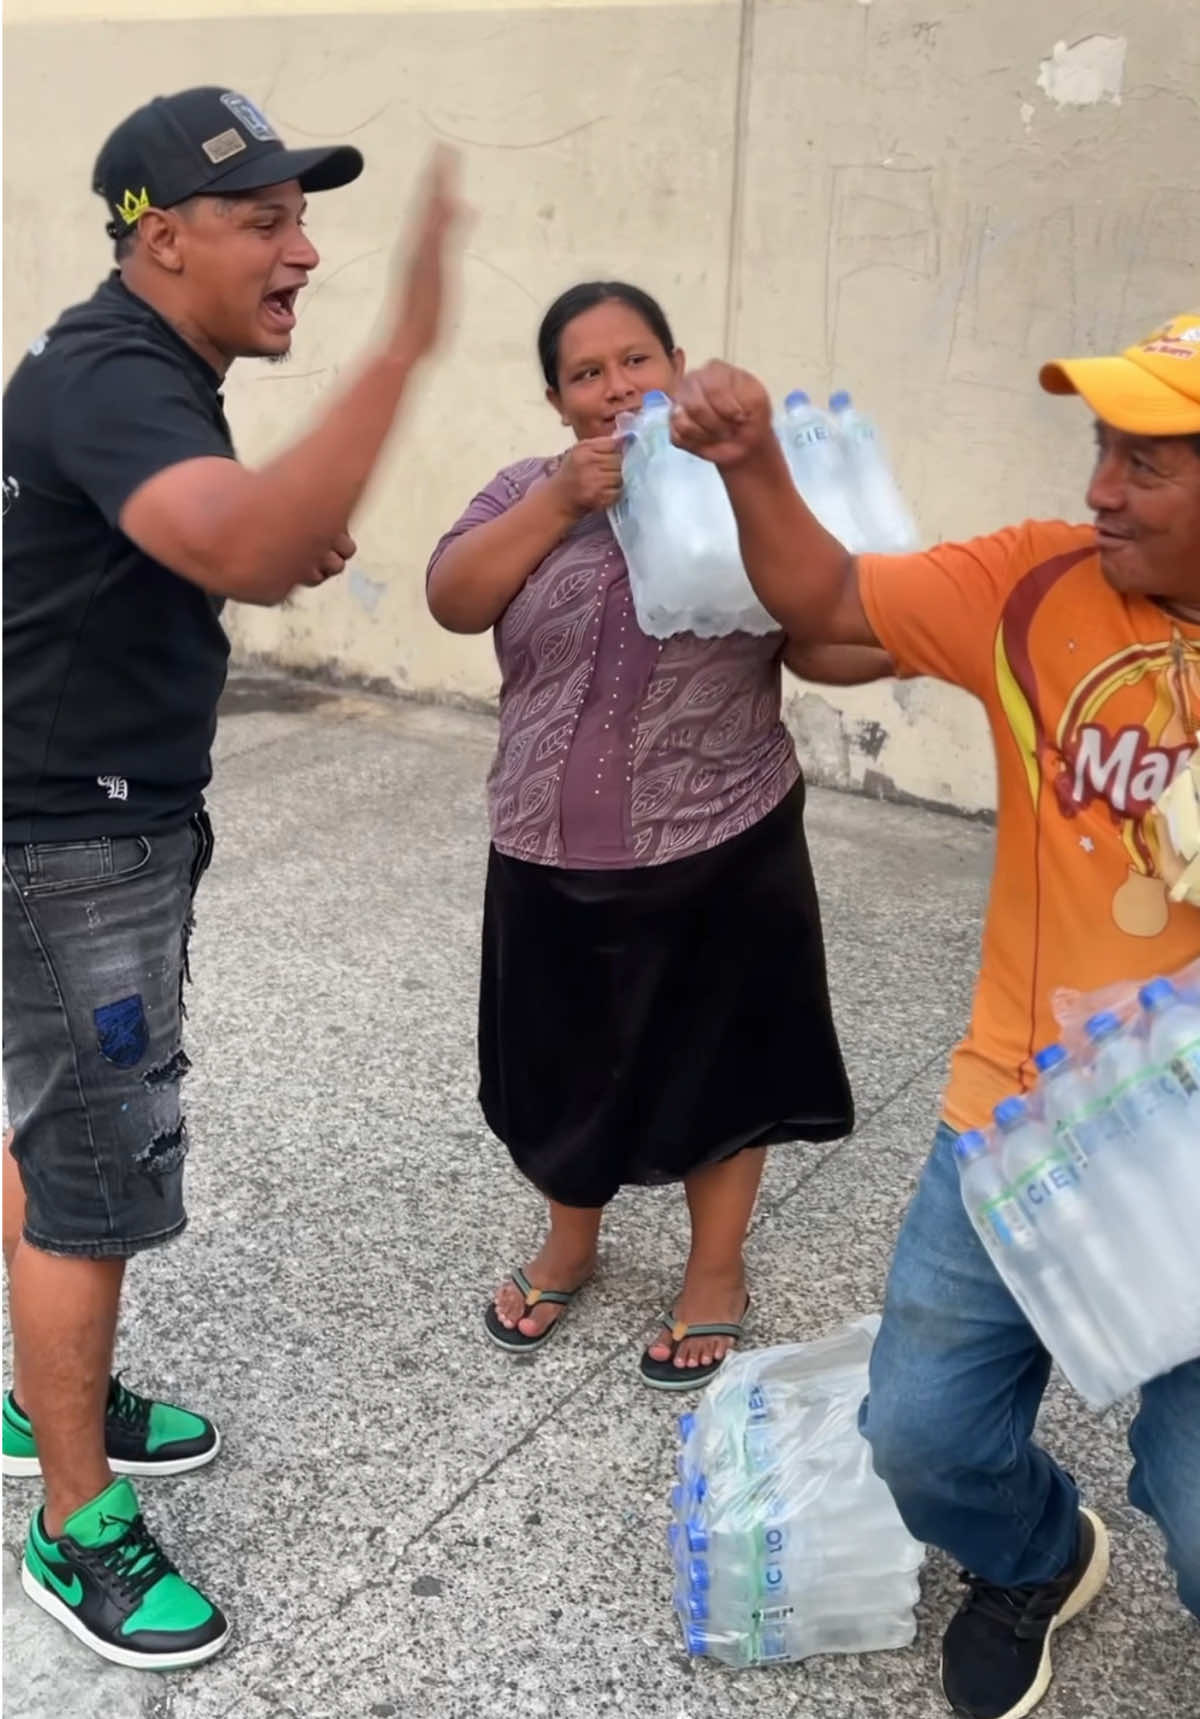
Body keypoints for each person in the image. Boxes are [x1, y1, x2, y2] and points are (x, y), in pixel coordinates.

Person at [669, 315, 1200, 1717]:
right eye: (1102, 448)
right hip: (1022, 1113)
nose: (1100, 489)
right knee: (921, 1437)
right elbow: (828, 596)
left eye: (1146, 462)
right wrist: (751, 459)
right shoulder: (1039, 583)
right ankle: (1037, 1554)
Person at [2, 87, 460, 1669]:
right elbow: (243, 541)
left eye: (302, 216)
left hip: (66, 824)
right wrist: (406, 349)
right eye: (264, 219)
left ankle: (42, 1395)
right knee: (99, 1174)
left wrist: (261, 531)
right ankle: (76, 1525)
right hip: (72, 847)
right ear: (161, 238)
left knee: (49, 1120)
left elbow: (203, 536)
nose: (304, 251)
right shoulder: (114, 374)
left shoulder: (124, 369)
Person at [427, 281, 884, 1390]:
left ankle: (714, 1271)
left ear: (676, 367)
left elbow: (820, 637)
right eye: (586, 373)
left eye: (636, 360)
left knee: (723, 1069)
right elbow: (453, 595)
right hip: (543, 843)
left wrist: (916, 626)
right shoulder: (522, 489)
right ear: (556, 399)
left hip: (722, 839)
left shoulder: (742, 490)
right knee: (557, 1067)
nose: (616, 387)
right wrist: (558, 505)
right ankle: (570, 1245)